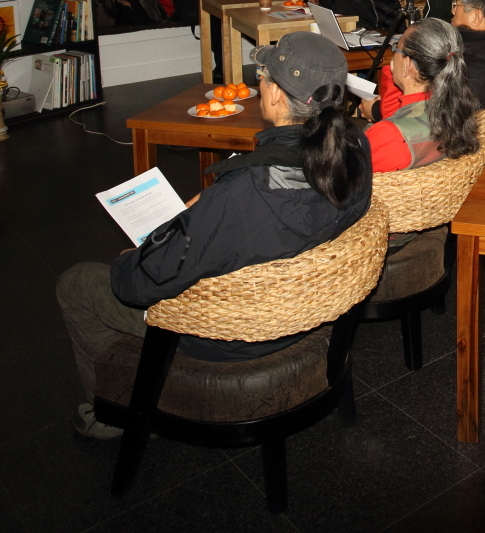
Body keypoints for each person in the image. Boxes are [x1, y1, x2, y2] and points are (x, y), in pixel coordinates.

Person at [57, 31, 370, 438]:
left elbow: (139, 285)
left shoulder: (244, 193)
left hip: (233, 334)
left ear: (277, 94)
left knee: (77, 284)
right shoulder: (357, 149)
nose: (260, 83)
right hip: (316, 308)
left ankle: (118, 409)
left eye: (262, 76)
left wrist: (130, 261)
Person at [364, 18, 481, 172]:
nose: (393, 53)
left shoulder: (390, 135)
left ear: (408, 64)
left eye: (396, 48)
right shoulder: (458, 110)